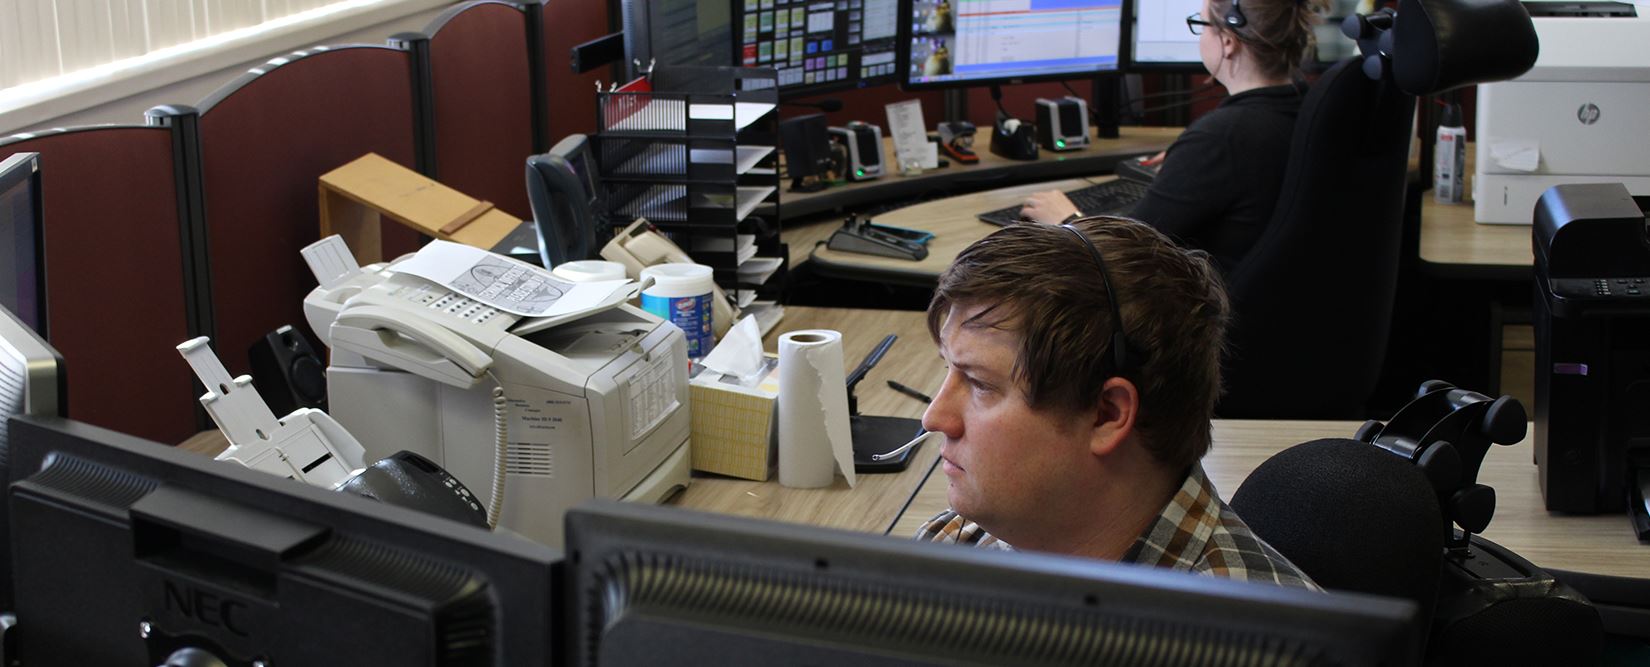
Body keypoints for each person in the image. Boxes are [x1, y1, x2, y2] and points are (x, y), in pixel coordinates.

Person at [914, 216, 1317, 589]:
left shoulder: (1259, 647)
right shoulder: (953, 546)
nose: (934, 417)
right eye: (948, 370)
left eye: (980, 383)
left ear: (1107, 414)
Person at [1019, 0, 1327, 275]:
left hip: (1211, 326)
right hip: (1281, 313)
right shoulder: (1310, 109)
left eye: (1201, 24)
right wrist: (1189, 160)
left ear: (1229, 42)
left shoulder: (1223, 137)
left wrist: (1068, 221)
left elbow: (1121, 256)